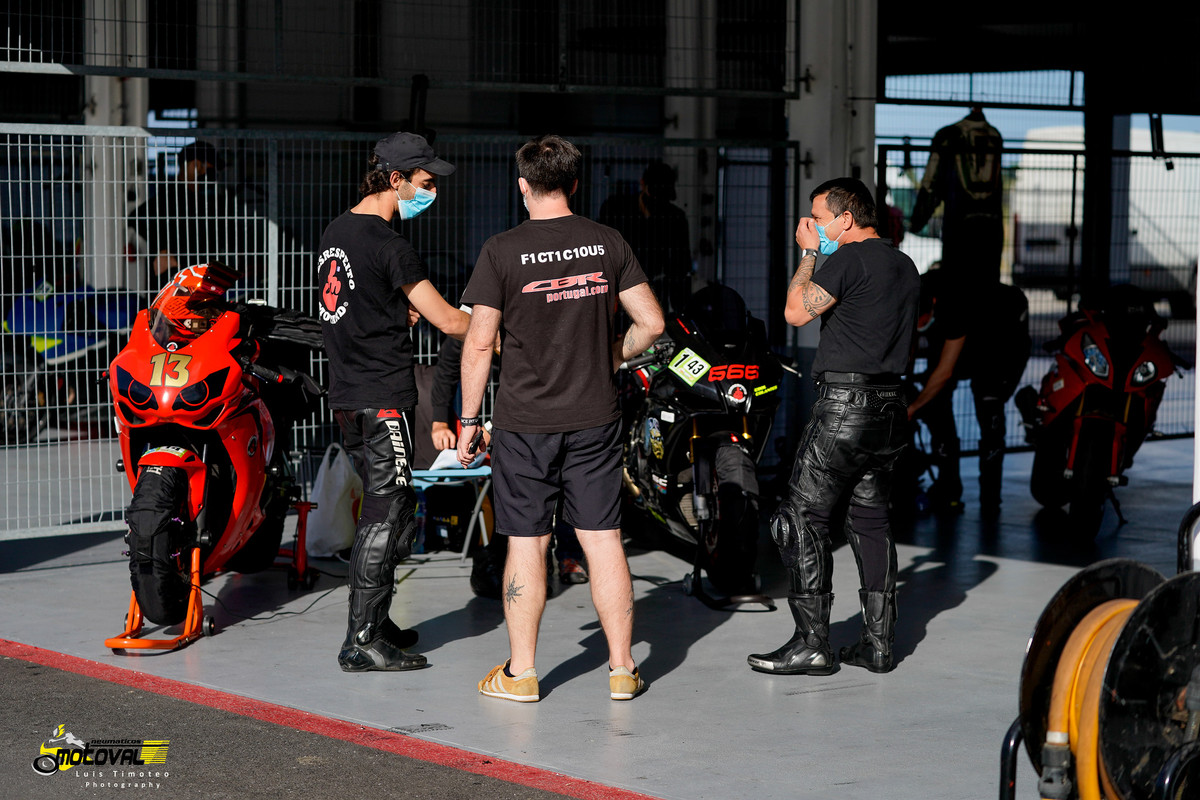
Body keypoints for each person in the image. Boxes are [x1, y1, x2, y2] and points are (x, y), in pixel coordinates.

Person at [456, 134, 664, 702]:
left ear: (522, 185)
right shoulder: (607, 242)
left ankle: (522, 674)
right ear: (575, 183)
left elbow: (478, 345)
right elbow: (651, 323)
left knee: (527, 542)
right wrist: (611, 356)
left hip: (525, 423)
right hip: (596, 415)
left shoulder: (501, 250)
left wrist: (469, 421)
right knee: (603, 539)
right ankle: (623, 669)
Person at [747, 177, 919, 676]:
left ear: (846, 218)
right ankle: (879, 645)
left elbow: (795, 311)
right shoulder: (904, 265)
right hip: (890, 407)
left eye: (819, 219)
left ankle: (811, 643)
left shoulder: (847, 257)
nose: (813, 227)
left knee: (800, 520)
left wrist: (807, 254)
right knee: (870, 520)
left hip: (846, 405)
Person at [317, 131, 470, 672]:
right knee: (386, 513)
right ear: (395, 179)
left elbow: (351, 308)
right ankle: (361, 639)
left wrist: (392, 313)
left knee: (388, 507)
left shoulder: (338, 231)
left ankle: (375, 621)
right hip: (382, 398)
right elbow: (450, 321)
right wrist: (504, 332)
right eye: (426, 182)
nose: (432, 192)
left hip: (348, 396)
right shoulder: (391, 245)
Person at [429, 335, 590, 595]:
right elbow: (447, 369)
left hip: (537, 417)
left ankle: (566, 556)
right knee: (516, 498)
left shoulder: (529, 328)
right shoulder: (468, 328)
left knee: (561, 481)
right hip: (492, 421)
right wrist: (440, 421)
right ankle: (515, 566)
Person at [905, 270, 1030, 515]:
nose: (920, 327)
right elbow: (909, 344)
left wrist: (913, 407)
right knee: (937, 406)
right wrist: (908, 385)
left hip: (999, 337)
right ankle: (949, 489)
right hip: (961, 328)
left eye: (923, 321)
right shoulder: (910, 296)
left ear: (934, 306)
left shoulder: (954, 308)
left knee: (990, 410)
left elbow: (945, 373)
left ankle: (991, 499)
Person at [909, 106, 1004, 297]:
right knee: (987, 289)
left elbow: (931, 182)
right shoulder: (995, 135)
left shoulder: (948, 134)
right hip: (992, 229)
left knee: (956, 289)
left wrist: (917, 220)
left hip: (958, 226)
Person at [598, 160, 692, 313]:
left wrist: (679, 307)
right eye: (656, 194)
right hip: (621, 287)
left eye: (663, 197)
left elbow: (681, 264)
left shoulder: (675, 217)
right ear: (642, 184)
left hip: (654, 290)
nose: (658, 202)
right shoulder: (617, 209)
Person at [130, 140, 236, 277]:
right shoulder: (172, 195)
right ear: (196, 165)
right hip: (174, 280)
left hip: (196, 276)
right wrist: (163, 250)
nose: (211, 176)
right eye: (209, 169)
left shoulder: (198, 199)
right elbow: (137, 217)